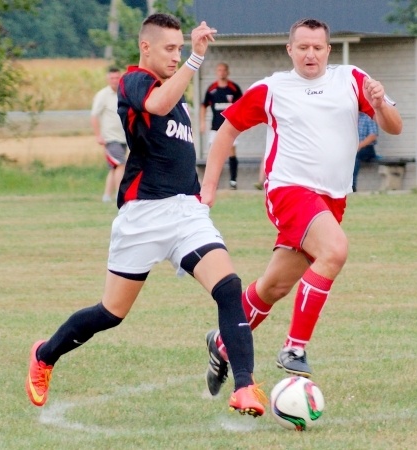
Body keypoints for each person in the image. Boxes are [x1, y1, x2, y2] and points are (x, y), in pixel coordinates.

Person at [25, 13, 266, 417]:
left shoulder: (179, 96)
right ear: (145, 47)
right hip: (143, 217)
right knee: (110, 313)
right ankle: (44, 355)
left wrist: (203, 190)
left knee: (228, 287)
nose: (176, 56)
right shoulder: (134, 81)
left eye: (179, 49)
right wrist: (195, 59)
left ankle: (245, 387)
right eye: (169, 49)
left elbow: (179, 150)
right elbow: (157, 103)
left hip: (185, 213)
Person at [199, 18, 402, 396]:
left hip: (332, 200)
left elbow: (394, 126)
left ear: (328, 50)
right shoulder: (272, 89)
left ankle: (223, 344)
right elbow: (227, 130)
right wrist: (209, 187)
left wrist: (378, 104)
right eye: (303, 47)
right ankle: (294, 348)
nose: (311, 54)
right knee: (334, 250)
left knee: (274, 286)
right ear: (289, 49)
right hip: (288, 191)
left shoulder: (352, 79)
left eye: (318, 47)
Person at [200, 63, 243, 190]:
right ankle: (211, 182)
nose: (222, 72)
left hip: (231, 127)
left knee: (231, 152)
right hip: (215, 127)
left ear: (227, 72)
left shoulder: (233, 88)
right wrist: (202, 122)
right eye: (219, 70)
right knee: (213, 153)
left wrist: (241, 121)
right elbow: (203, 106)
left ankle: (233, 181)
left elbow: (242, 104)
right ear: (216, 72)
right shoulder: (212, 89)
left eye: (224, 70)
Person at [91, 67, 128, 203]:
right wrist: (98, 135)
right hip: (110, 138)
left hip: (123, 137)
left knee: (114, 167)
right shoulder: (102, 95)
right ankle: (120, 194)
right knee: (121, 164)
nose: (115, 81)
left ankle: (106, 196)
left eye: (117, 78)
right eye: (112, 78)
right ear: (108, 79)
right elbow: (94, 116)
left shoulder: (123, 93)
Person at [352, 111, 380, 192]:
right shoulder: (351, 118)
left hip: (367, 148)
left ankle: (352, 185)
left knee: (356, 156)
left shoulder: (368, 117)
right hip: (353, 148)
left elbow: (373, 135)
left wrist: (359, 146)